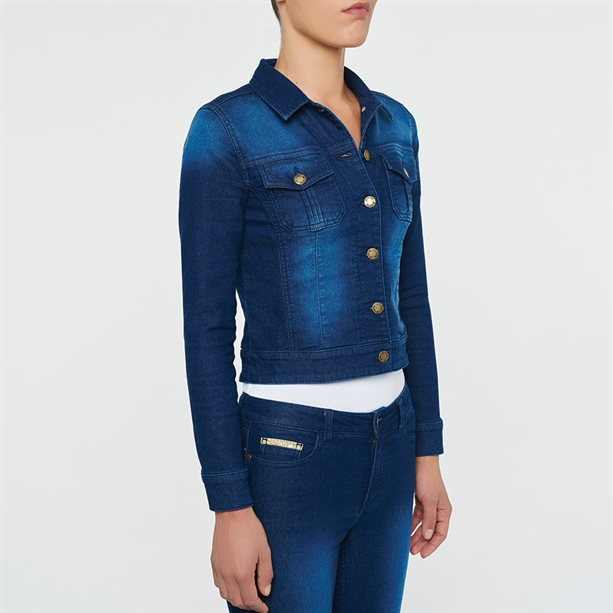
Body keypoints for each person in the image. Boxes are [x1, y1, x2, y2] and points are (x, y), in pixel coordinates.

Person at [178, 1, 452, 611]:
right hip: (288, 461)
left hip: (394, 444)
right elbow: (206, 328)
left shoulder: (395, 126)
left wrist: (427, 450)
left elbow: (412, 298)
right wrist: (229, 503)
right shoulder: (226, 130)